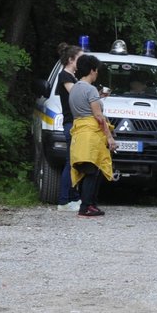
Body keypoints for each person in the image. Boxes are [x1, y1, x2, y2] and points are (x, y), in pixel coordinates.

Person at [68, 54, 120, 217]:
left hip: (79, 133)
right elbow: (98, 117)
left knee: (86, 170)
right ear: (92, 70)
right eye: (96, 70)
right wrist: (110, 137)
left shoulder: (75, 87)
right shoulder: (90, 89)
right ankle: (86, 207)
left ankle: (89, 204)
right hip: (91, 134)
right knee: (92, 170)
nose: (97, 73)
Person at [54, 42, 84, 212]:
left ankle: (74, 198)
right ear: (72, 60)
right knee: (70, 162)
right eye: (81, 58)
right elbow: (76, 94)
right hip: (70, 123)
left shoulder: (72, 77)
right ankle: (64, 200)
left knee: (75, 162)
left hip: (76, 123)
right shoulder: (65, 76)